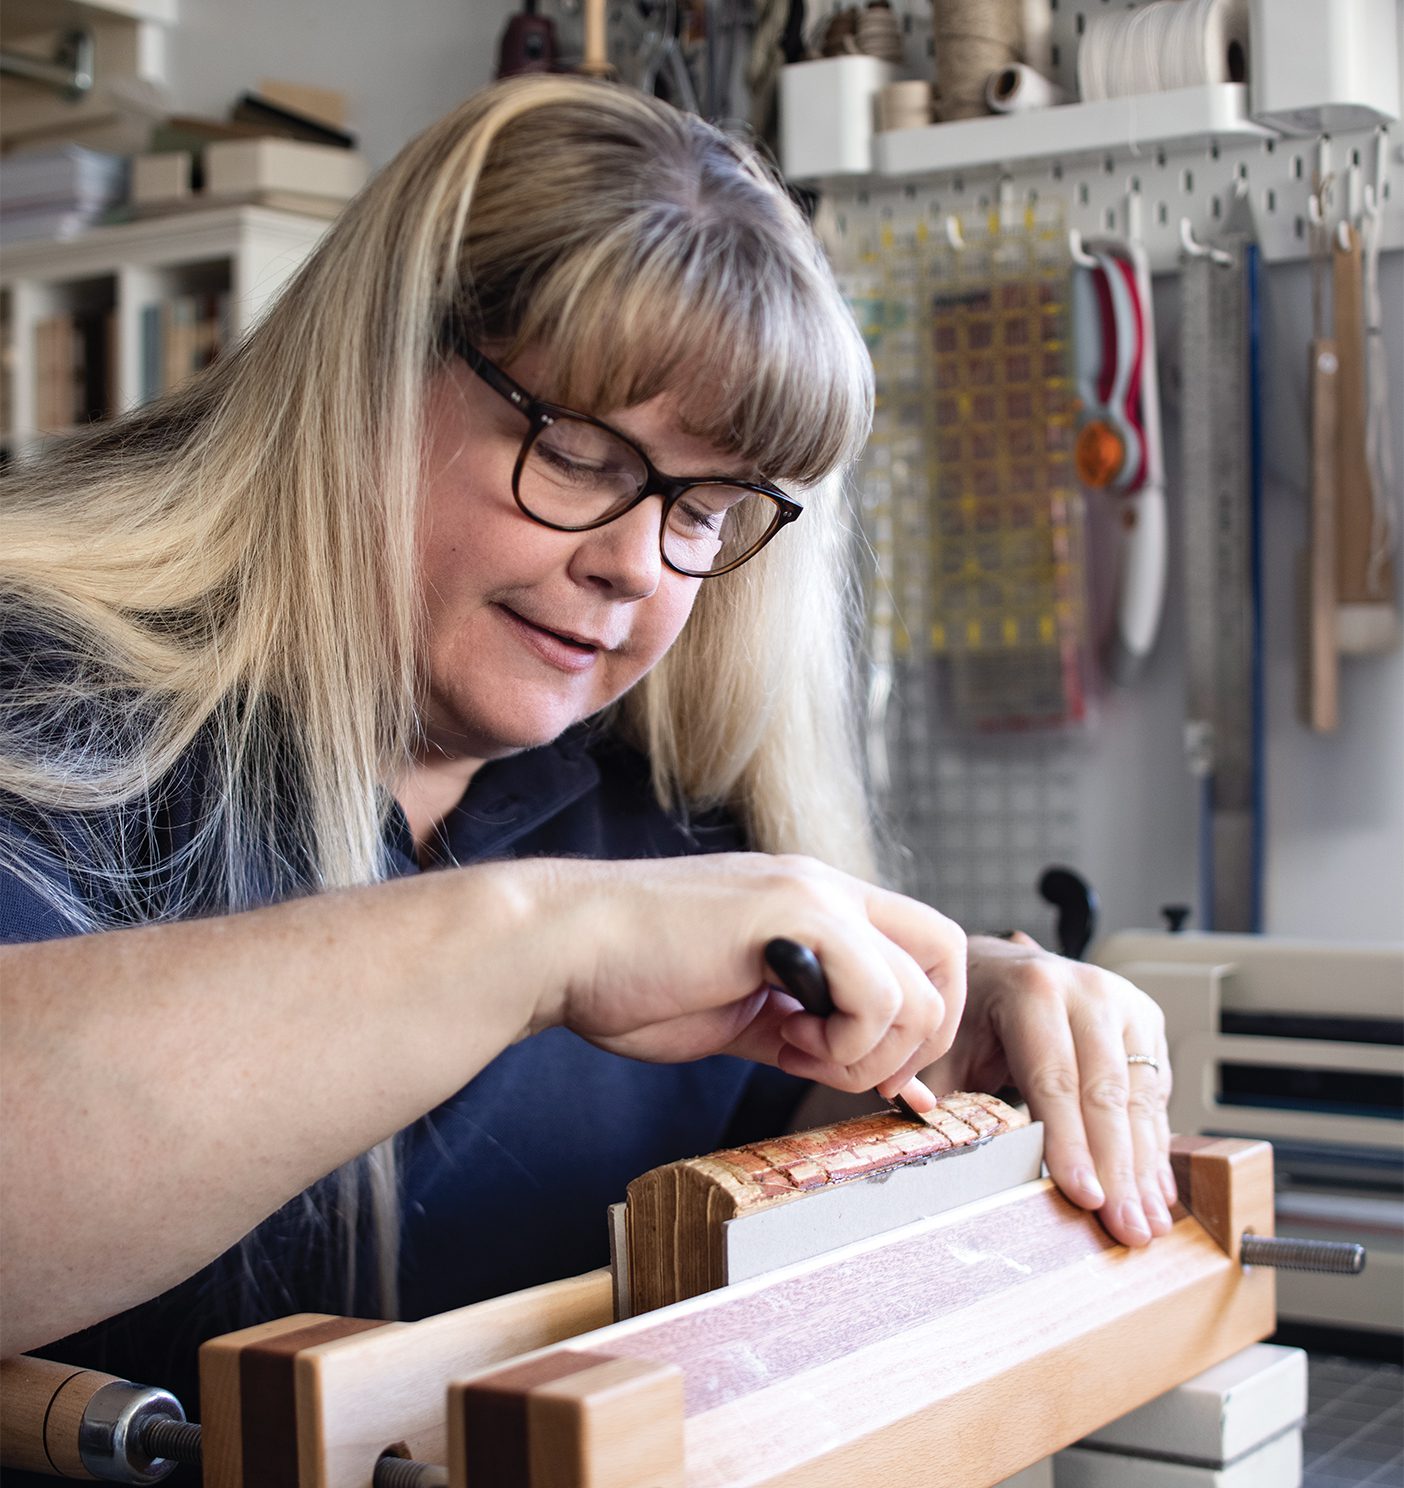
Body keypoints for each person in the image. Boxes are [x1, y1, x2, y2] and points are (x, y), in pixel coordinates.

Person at [0, 76, 1174, 1422]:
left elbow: (748, 1251)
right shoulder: (45, 696)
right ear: (375, 373)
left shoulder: (667, 808)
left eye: (705, 508)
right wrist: (537, 942)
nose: (631, 567)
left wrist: (929, 1059)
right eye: (576, 451)